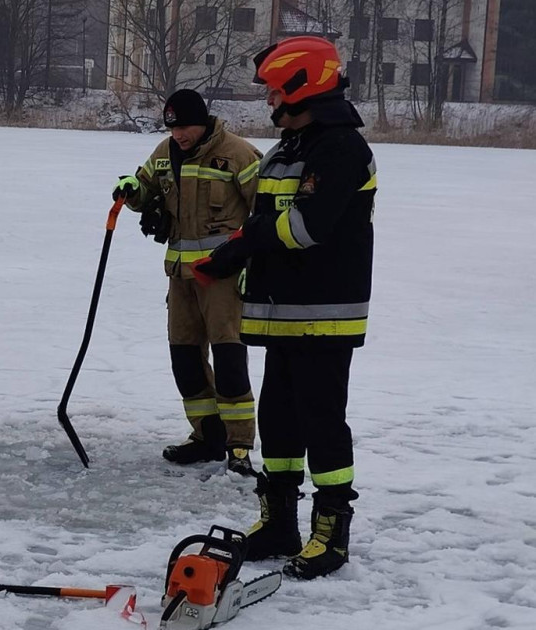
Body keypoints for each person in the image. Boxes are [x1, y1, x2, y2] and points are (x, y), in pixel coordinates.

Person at [192, 36, 376, 580]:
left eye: (274, 91)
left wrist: (245, 246)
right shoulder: (292, 147)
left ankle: (331, 529)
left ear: (304, 87)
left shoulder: (339, 149)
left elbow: (306, 227)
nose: (269, 102)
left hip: (325, 312)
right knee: (278, 419)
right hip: (283, 312)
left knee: (322, 421)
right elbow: (264, 218)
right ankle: (278, 522)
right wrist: (229, 254)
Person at [112, 89, 262, 475]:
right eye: (173, 128)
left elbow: (265, 211)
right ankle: (207, 436)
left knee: (229, 360)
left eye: (184, 127)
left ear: (203, 121)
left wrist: (249, 257)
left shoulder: (238, 154)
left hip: (223, 278)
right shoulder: (165, 153)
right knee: (185, 359)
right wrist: (131, 190)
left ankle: (239, 444)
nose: (178, 135)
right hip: (179, 277)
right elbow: (146, 187)